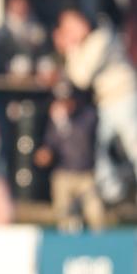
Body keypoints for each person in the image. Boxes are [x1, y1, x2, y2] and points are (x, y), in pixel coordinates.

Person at [54, 5, 137, 204]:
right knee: (102, 152)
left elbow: (81, 77)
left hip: (124, 97)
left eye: (71, 26)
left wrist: (70, 48)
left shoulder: (101, 37)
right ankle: (114, 196)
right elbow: (74, 77)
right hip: (107, 103)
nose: (69, 32)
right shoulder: (86, 45)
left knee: (134, 146)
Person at [34, 82, 103, 231]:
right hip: (63, 173)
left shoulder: (87, 116)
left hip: (86, 174)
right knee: (63, 214)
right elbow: (50, 144)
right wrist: (45, 153)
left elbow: (82, 139)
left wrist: (64, 123)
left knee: (95, 214)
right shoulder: (55, 121)